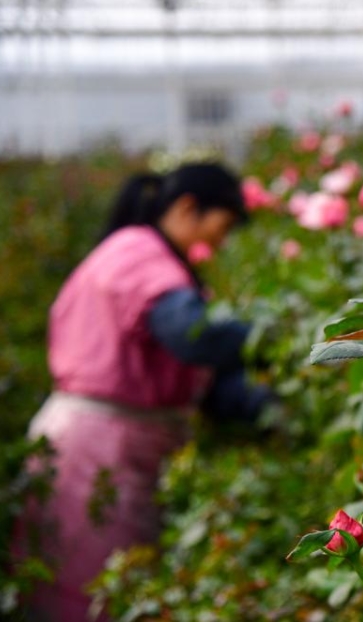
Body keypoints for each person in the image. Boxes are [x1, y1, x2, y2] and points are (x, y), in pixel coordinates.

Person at [19, 162, 272, 621]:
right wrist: (276, 339)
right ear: (187, 208)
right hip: (95, 451)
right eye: (224, 225)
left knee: (114, 582)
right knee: (91, 588)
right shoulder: (137, 252)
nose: (221, 241)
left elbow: (198, 376)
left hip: (117, 444)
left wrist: (268, 406)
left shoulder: (154, 259)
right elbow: (193, 335)